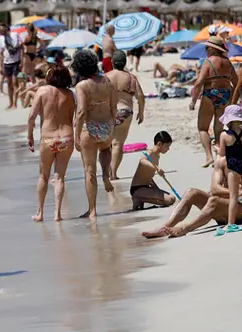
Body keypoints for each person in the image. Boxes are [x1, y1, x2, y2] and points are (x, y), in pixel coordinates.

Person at [141, 158, 242, 239]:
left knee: (213, 200)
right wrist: (238, 191)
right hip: (221, 205)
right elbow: (214, 189)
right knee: (191, 192)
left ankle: (184, 228)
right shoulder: (223, 161)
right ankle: (164, 228)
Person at [27, 64, 75, 222]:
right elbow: (73, 118)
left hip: (48, 137)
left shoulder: (42, 91)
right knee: (60, 177)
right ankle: (57, 214)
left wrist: (30, 136)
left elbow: (31, 117)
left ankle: (40, 213)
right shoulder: (70, 94)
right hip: (67, 138)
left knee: (43, 176)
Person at [73, 49, 117, 220]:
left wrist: (77, 134)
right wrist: (111, 124)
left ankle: (92, 210)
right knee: (105, 150)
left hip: (90, 129)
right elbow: (114, 107)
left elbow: (82, 111)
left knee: (89, 170)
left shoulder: (82, 86)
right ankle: (106, 174)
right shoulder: (107, 81)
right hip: (106, 125)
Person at [190, 37, 238, 167]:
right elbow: (236, 81)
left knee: (202, 128)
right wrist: (232, 98)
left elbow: (199, 82)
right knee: (218, 130)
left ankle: (209, 156)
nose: (205, 50)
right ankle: (220, 159)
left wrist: (193, 101)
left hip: (210, 94)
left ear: (213, 49)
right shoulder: (227, 62)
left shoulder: (208, 62)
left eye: (207, 48)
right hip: (225, 95)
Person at [105, 50, 145, 180]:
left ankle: (107, 171)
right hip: (124, 112)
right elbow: (140, 96)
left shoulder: (105, 77)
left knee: (107, 144)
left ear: (112, 62)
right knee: (118, 144)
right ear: (125, 62)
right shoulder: (131, 77)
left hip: (108, 113)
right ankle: (113, 173)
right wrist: (141, 112)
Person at [219, 104, 242, 230]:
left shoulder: (224, 135)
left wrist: (216, 148)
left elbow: (222, 154)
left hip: (233, 167)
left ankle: (230, 223)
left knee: (233, 196)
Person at [130, 131, 177, 210]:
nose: (168, 149)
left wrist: (157, 190)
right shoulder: (149, 153)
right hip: (137, 189)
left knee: (172, 198)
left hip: (147, 187)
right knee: (169, 200)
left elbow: (149, 178)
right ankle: (139, 198)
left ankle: (142, 198)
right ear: (159, 144)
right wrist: (156, 168)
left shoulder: (157, 156)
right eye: (167, 146)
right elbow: (142, 161)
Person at [0, 22, 22, 109]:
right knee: (9, 83)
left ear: (6, 29)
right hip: (6, 63)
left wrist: (21, 61)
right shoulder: (1, 39)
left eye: (1, 29)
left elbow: (20, 48)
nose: (0, 31)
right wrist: (0, 66)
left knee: (15, 83)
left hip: (16, 62)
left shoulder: (15, 35)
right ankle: (10, 102)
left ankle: (15, 103)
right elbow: (0, 53)